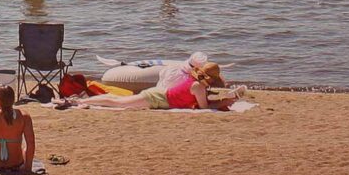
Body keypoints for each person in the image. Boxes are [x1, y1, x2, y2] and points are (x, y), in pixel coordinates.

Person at [74, 62, 243, 111]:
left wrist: (224, 100)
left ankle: (87, 101)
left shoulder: (197, 85)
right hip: (157, 98)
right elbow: (204, 107)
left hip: (160, 95)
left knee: (120, 100)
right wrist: (223, 102)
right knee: (120, 103)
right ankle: (84, 102)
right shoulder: (198, 86)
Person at [0, 86, 36, 173]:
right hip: (16, 165)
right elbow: (31, 144)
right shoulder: (24, 116)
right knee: (24, 149)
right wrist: (28, 168)